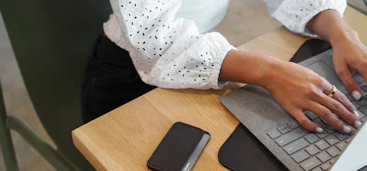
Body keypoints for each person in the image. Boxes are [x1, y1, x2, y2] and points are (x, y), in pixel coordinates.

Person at [82, 0, 367, 135]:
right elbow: (156, 41)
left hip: (206, 67)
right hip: (130, 81)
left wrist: (340, 31)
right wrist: (271, 73)